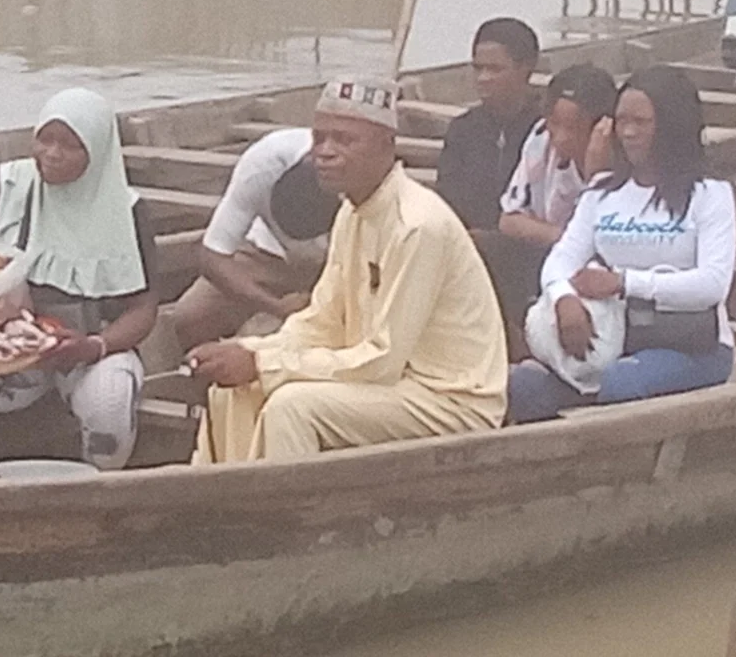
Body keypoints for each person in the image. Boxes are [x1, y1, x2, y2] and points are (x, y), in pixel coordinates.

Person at [187, 76, 508, 463]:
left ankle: (298, 519)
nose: (325, 152)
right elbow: (324, 323)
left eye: (345, 140)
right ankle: (227, 504)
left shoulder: (417, 226)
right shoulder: (351, 214)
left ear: (387, 146)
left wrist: (263, 363)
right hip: (393, 384)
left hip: (448, 396)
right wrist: (249, 350)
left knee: (293, 406)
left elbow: (383, 359)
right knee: (232, 390)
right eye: (319, 139)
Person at [0, 88, 158, 471]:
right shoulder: (4, 188)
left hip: (90, 349)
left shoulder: (126, 211)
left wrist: (94, 346)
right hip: (9, 348)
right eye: (44, 139)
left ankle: (98, 490)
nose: (51, 153)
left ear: (97, 153)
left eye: (70, 145)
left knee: (109, 404)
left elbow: (143, 310)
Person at [508, 66, 736, 422]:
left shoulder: (709, 195)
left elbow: (712, 285)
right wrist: (563, 297)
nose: (628, 132)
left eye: (641, 122)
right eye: (621, 121)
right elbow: (561, 261)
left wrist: (624, 282)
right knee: (523, 384)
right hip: (609, 339)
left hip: (690, 344)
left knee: (622, 381)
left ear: (671, 124)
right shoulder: (602, 192)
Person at [475, 63, 618, 358]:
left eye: (575, 128)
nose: (561, 137)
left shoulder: (618, 160)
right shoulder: (541, 139)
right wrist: (567, 239)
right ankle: (508, 344)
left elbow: (606, 246)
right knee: (477, 246)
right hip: (548, 253)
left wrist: (596, 173)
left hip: (597, 273)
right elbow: (509, 220)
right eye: (556, 124)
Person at [168, 127, 340, 349]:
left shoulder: (364, 177)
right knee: (193, 317)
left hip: (340, 262)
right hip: (269, 254)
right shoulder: (265, 162)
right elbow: (213, 256)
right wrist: (276, 307)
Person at [436, 18, 543, 232]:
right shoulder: (463, 129)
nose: (483, 78)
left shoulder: (545, 129)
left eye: (495, 69)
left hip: (526, 246)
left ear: (526, 69)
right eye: (478, 68)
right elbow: (447, 201)